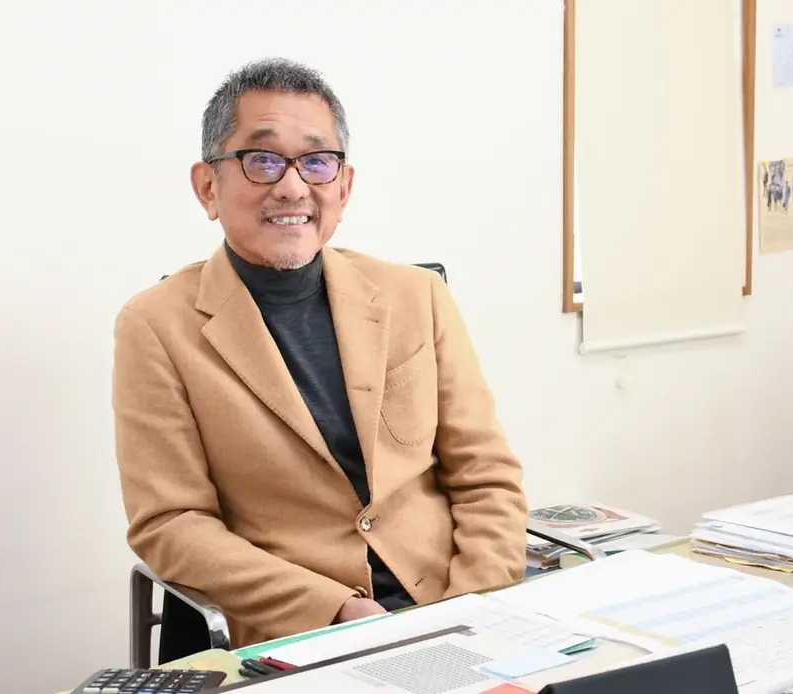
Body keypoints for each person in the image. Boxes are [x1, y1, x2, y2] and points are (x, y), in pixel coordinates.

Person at [112, 57, 528, 649]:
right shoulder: (155, 326)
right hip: (300, 630)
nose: (292, 186)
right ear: (208, 187)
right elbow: (171, 524)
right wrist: (334, 611)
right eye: (261, 160)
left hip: (449, 607)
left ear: (344, 186)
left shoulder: (417, 296)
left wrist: (471, 605)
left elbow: (486, 475)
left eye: (316, 161)